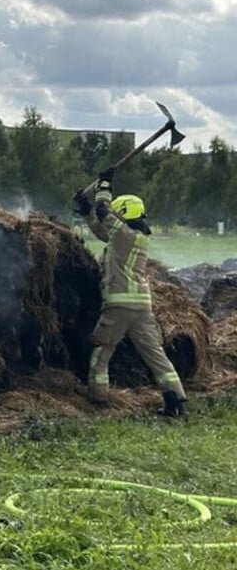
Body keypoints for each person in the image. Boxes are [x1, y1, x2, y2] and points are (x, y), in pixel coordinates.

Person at [75, 169, 187, 417]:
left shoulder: (122, 234)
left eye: (118, 212)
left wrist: (103, 185)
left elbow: (104, 210)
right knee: (155, 355)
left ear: (123, 213)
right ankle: (176, 400)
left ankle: (98, 399)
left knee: (100, 351)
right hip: (142, 309)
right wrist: (86, 210)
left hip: (118, 307)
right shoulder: (133, 237)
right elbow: (101, 228)